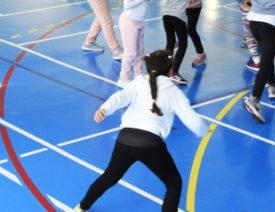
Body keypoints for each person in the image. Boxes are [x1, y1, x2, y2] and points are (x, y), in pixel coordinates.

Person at [74, 50, 209, 212]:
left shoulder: (139, 82)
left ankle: (81, 207)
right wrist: (204, 131)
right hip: (150, 144)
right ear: (169, 70)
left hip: (125, 139)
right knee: (174, 183)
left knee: (110, 176)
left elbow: (121, 96)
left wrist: (105, 108)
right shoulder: (173, 91)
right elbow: (191, 119)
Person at [152, 0, 194, 84]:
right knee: (183, 44)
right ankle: (174, 72)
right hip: (179, 17)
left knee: (170, 43)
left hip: (166, 16)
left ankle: (166, 70)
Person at [117, 0, 154, 87]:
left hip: (139, 22)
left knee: (139, 51)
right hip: (129, 22)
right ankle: (124, 78)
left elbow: (144, 2)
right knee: (130, 51)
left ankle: (138, 75)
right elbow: (126, 6)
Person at [224, 0, 262, 71]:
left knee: (249, 36)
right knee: (261, 32)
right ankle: (266, 56)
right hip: (260, 7)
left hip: (246, 10)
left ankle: (257, 61)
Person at [184, 0, 206, 66]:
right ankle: (175, 42)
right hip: (183, 6)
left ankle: (200, 53)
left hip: (194, 7)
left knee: (191, 30)